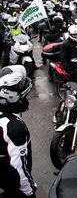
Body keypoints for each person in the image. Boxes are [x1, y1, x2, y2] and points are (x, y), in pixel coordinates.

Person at [0, 65, 37, 198]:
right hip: (10, 180)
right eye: (23, 97)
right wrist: (30, 191)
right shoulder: (14, 127)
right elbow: (19, 169)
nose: (25, 100)